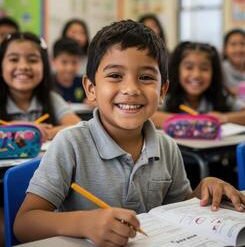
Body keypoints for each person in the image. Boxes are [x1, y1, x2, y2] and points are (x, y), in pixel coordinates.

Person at [14, 21, 244, 247]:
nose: (131, 89)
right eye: (115, 75)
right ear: (91, 88)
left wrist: (204, 189)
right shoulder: (71, 144)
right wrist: (83, 223)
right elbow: (24, 224)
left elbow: (177, 209)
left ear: (162, 91)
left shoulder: (167, 146)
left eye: (146, 77)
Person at [0, 32, 81, 140]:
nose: (23, 66)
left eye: (32, 60)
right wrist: (20, 128)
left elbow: (77, 126)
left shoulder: (51, 98)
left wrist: (45, 132)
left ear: (44, 67)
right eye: (14, 59)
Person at [151, 41, 245, 129]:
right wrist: (193, 121)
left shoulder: (220, 96)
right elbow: (150, 116)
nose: (196, 75)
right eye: (189, 67)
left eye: (204, 69)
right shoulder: (167, 95)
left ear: (214, 72)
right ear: (177, 70)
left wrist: (225, 118)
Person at [52, 37, 86, 103]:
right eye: (64, 62)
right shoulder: (48, 85)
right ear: (53, 61)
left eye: (74, 62)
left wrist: (94, 102)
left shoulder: (84, 83)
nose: (69, 68)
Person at [222, 28, 245, 96]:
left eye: (242, 44)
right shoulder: (220, 70)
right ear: (225, 49)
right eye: (233, 44)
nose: (238, 49)